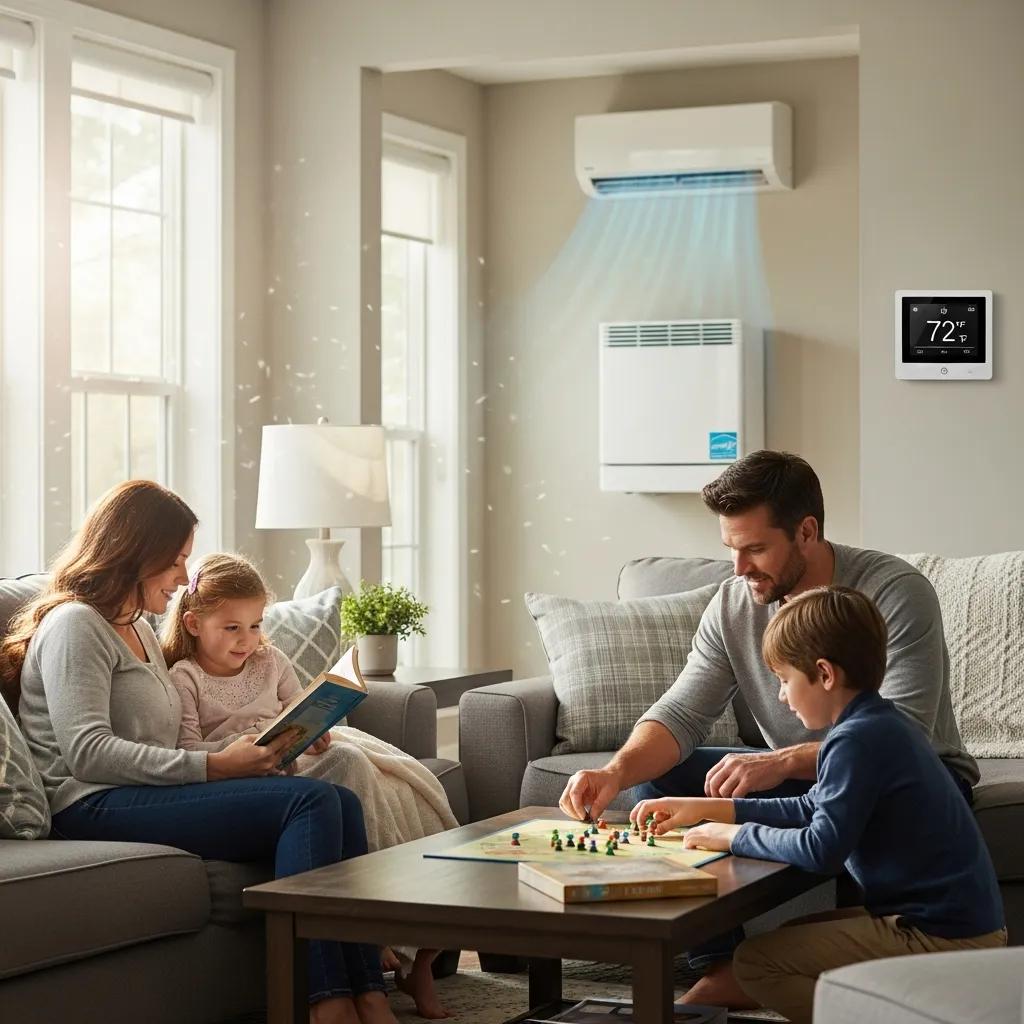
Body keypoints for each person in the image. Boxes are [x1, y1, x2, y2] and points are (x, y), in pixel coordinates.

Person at [558, 450, 977, 1004]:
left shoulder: (895, 589)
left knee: (861, 805)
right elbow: (682, 712)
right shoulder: (735, 603)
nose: (739, 569)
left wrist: (776, 763)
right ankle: (720, 964)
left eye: (755, 548)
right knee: (662, 782)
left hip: (917, 773)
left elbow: (904, 732)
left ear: (806, 532)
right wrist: (615, 771)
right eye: (731, 549)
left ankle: (843, 972)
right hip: (818, 774)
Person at [0, 480, 397, 1024]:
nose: (185, 578)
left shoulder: (135, 625)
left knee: (339, 800)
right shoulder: (76, 625)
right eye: (176, 561)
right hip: (87, 803)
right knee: (310, 804)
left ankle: (367, 992)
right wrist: (215, 767)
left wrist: (264, 744)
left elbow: (166, 742)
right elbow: (88, 752)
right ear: (134, 553)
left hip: (142, 791)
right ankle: (324, 1004)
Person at [629, 586, 1005, 1024]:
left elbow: (820, 848)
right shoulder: (876, 725)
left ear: (824, 674)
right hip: (959, 926)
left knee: (756, 962)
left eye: (785, 679)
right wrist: (709, 809)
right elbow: (813, 806)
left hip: (941, 937)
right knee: (791, 939)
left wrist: (732, 835)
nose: (783, 696)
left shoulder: (856, 741)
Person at [162, 552, 458, 1020]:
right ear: (195, 624)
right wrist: (233, 748)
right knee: (328, 791)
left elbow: (299, 710)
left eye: (255, 625)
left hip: (291, 768)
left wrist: (314, 734)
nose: (247, 640)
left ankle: (387, 923)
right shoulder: (186, 678)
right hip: (240, 779)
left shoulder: (270, 660)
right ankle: (377, 949)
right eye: (232, 628)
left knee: (348, 759)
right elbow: (187, 748)